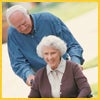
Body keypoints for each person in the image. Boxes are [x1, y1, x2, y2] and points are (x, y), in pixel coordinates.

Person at [6, 5, 84, 86]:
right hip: (42, 79)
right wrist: (28, 75)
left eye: (24, 23)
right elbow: (18, 62)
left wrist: (76, 63)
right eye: (18, 27)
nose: (23, 28)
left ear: (28, 14)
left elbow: (72, 45)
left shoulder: (48, 20)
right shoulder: (12, 34)